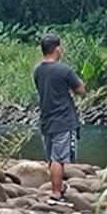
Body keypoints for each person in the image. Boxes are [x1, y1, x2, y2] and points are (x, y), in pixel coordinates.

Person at [31, 34, 84, 202]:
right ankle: (55, 192)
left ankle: (59, 187)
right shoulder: (64, 70)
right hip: (63, 119)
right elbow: (80, 89)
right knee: (58, 158)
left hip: (46, 119)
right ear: (57, 48)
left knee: (51, 157)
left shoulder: (37, 69)